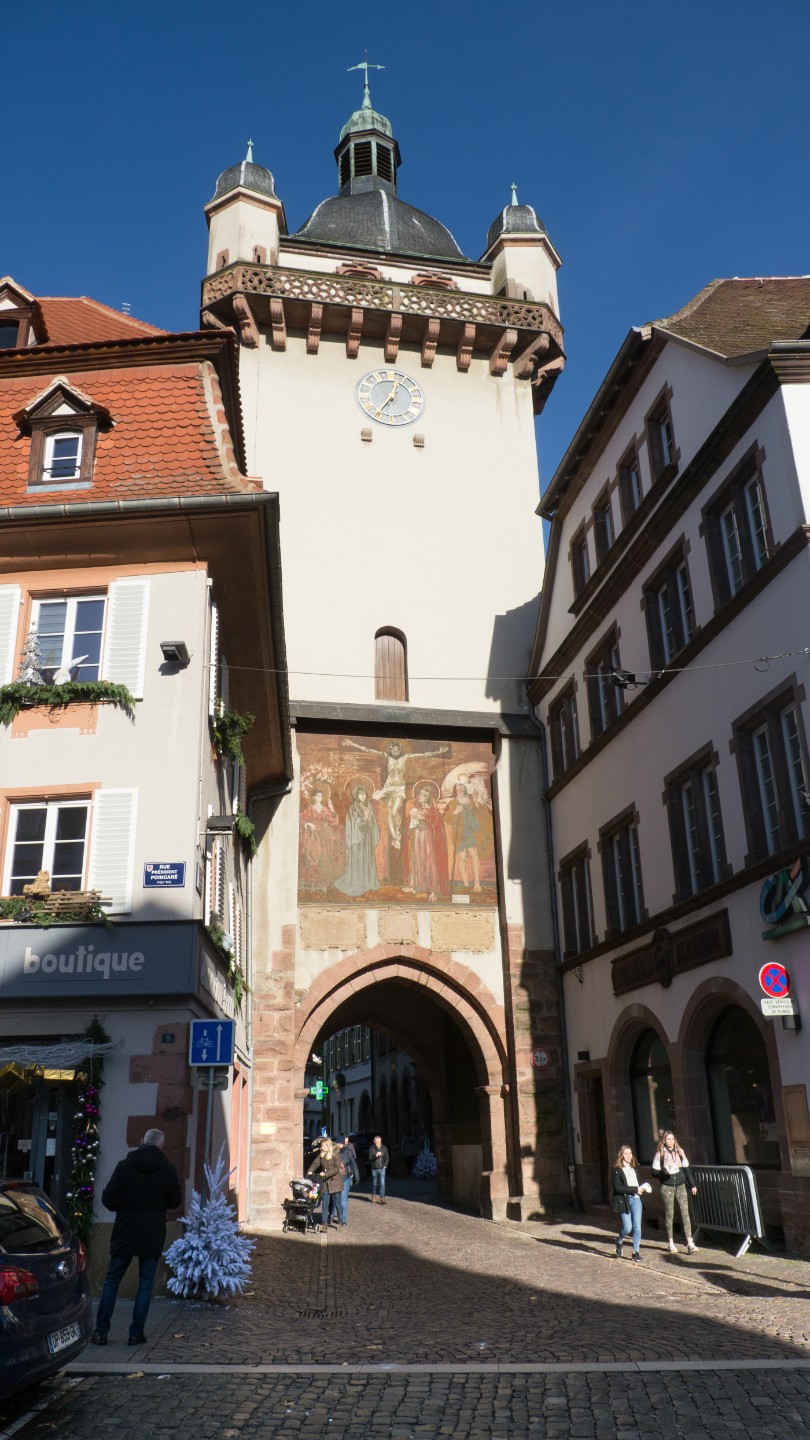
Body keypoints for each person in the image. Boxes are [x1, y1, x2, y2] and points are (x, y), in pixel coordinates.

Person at [90, 1128, 181, 1346]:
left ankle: (101, 1332)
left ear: (142, 1141)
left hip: (126, 1228)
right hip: (152, 1231)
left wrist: (125, 1206)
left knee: (112, 1281)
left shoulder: (124, 1166)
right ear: (161, 1146)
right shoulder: (168, 1169)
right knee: (146, 1283)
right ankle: (135, 1333)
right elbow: (175, 1201)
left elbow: (108, 1199)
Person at [652, 1130, 699, 1254]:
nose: (671, 1141)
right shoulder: (660, 1154)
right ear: (664, 1141)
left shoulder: (680, 1151)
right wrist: (664, 1172)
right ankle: (671, 1243)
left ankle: (690, 1243)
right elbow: (654, 1172)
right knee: (669, 1214)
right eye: (668, 1139)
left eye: (672, 1139)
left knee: (685, 1213)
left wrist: (693, 1185)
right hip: (667, 1187)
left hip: (681, 1185)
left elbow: (686, 1169)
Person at [403, 783, 450, 901]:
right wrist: (413, 820)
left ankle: (433, 890)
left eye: (424, 795)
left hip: (429, 838)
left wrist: (423, 818)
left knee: (430, 861)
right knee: (417, 859)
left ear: (429, 798)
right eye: (420, 794)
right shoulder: (416, 808)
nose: (421, 796)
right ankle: (417, 885)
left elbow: (436, 824)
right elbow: (409, 824)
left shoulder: (433, 810)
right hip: (418, 836)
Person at [333, 784, 380, 897]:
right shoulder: (353, 808)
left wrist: (369, 821)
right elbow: (352, 823)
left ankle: (368, 882)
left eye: (364, 794)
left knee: (367, 858)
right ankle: (358, 882)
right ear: (356, 796)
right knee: (358, 859)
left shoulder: (368, 806)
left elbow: (372, 822)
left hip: (367, 838)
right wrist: (362, 820)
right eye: (360, 794)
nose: (362, 796)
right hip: (357, 839)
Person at [298, 785, 344, 893]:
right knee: (311, 855)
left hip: (324, 836)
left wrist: (332, 809)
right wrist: (308, 824)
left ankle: (322, 883)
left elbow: (334, 821)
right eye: (318, 796)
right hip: (311, 835)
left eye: (321, 796)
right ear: (313, 797)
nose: (320, 798)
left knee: (323, 856)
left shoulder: (324, 809)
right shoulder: (309, 809)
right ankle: (311, 882)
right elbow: (302, 820)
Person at [611, 1144, 651, 1262]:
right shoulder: (617, 1170)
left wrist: (641, 1189)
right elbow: (618, 1188)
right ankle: (619, 1240)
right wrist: (635, 1189)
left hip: (636, 1199)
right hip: (624, 1200)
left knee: (637, 1227)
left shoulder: (634, 1168)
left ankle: (635, 1252)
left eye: (630, 1153)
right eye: (626, 1154)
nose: (629, 1156)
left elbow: (636, 1184)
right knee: (627, 1228)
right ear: (621, 1155)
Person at [306, 1136, 345, 1231]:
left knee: (337, 1203)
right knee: (325, 1204)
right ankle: (324, 1224)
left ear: (328, 1146)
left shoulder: (335, 1154)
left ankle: (340, 1222)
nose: (321, 1147)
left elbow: (336, 1168)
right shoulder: (322, 1155)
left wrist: (326, 1173)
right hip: (326, 1183)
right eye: (321, 1146)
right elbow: (315, 1164)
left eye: (323, 1146)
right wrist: (309, 1171)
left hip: (335, 1182)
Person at [337, 1134, 360, 1227]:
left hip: (346, 1177)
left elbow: (354, 1164)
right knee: (336, 1198)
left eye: (340, 1143)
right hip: (336, 1178)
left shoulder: (348, 1151)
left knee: (343, 1198)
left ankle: (343, 1219)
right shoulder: (333, 1152)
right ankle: (332, 1215)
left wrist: (357, 1177)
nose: (339, 1144)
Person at [368, 1134, 390, 1204]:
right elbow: (370, 1158)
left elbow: (387, 1158)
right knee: (374, 1184)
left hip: (382, 1168)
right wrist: (376, 1155)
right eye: (377, 1141)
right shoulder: (371, 1148)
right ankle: (373, 1197)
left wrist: (385, 1165)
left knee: (382, 1183)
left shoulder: (384, 1148)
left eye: (379, 1141)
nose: (378, 1143)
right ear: (374, 1141)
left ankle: (382, 1198)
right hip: (374, 1168)